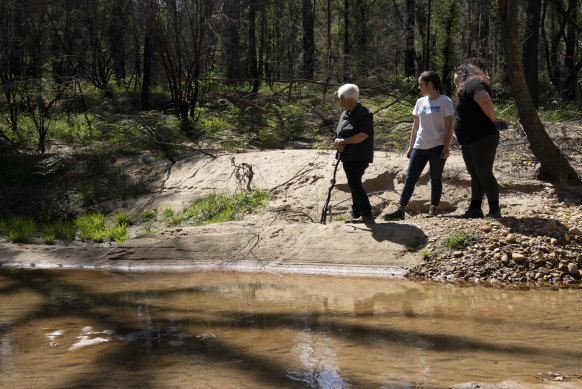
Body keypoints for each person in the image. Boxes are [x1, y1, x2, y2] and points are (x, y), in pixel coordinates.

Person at [383, 71, 454, 220]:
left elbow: (449, 126)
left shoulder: (445, 101)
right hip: (419, 146)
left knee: (435, 178)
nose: (419, 87)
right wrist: (410, 147)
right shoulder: (420, 102)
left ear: (430, 84)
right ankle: (400, 209)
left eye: (421, 84)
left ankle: (433, 209)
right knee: (410, 178)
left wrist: (446, 147)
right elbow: (415, 126)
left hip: (437, 146)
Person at [453, 63, 505, 218]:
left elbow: (484, 99)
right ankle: (475, 208)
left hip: (482, 137)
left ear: (462, 73)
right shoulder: (467, 86)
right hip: (470, 139)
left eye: (454, 74)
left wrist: (494, 120)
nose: (453, 79)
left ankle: (494, 209)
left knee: (484, 173)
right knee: (475, 173)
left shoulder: (473, 82)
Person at [333, 83, 375, 224]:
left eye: (341, 98)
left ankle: (367, 214)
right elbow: (338, 134)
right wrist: (338, 144)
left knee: (354, 183)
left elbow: (363, 135)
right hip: (347, 156)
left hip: (360, 155)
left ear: (350, 98)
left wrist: (343, 141)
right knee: (353, 184)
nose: (340, 101)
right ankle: (356, 213)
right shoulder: (345, 114)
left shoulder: (363, 113)